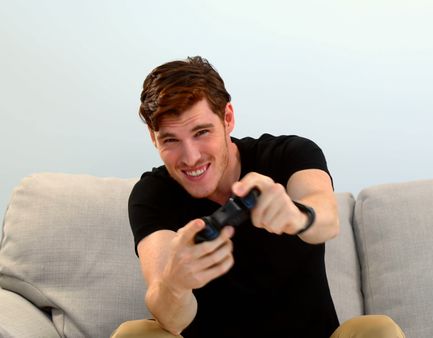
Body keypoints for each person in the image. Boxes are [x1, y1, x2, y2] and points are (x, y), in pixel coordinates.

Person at [114, 56, 404, 338]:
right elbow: (171, 318)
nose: (190, 157)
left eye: (202, 132)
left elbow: (327, 221)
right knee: (135, 334)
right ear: (154, 139)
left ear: (227, 118)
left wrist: (296, 215)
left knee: (377, 330)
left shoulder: (290, 154)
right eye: (170, 140)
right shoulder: (152, 194)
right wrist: (176, 283)